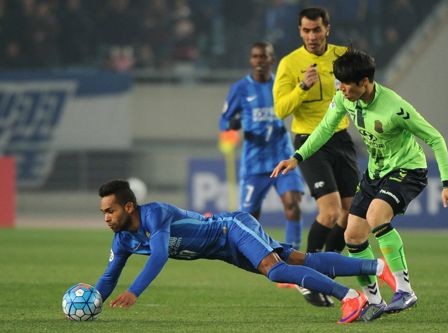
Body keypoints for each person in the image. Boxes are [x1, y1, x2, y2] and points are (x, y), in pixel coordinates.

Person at [271, 49, 448, 321]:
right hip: (375, 174)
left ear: (365, 82)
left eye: (347, 84)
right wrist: (297, 157)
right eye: (339, 83)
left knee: (376, 216)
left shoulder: (394, 107)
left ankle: (404, 290)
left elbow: (435, 138)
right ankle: (374, 301)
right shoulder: (345, 98)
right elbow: (325, 128)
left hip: (407, 169)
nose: (342, 89)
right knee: (353, 237)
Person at [94, 179, 393, 324]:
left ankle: (351, 298)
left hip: (231, 228)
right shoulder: (123, 241)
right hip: (225, 251)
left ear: (129, 207)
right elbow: (109, 277)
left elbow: (159, 255)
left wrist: (134, 291)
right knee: (302, 260)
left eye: (110, 211)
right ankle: (378, 268)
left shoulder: (154, 215)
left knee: (276, 271)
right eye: (104, 212)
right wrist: (93, 303)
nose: (106, 217)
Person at [272, 7, 360, 307]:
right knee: (331, 211)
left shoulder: (343, 56)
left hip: (341, 139)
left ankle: (326, 278)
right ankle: (305, 278)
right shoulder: (289, 64)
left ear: (327, 29)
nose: (312, 36)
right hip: (309, 141)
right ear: (299, 31)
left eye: (317, 30)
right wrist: (302, 87)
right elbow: (281, 109)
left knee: (349, 216)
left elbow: (361, 90)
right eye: (306, 30)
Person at [219, 42, 305, 253]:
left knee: (293, 206)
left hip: (282, 156)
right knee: (249, 217)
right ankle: (252, 254)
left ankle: (293, 255)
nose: (259, 61)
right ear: (251, 60)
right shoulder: (240, 89)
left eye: (263, 56)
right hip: (254, 163)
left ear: (271, 60)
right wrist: (233, 125)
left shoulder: (281, 85)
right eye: (255, 56)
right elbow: (224, 121)